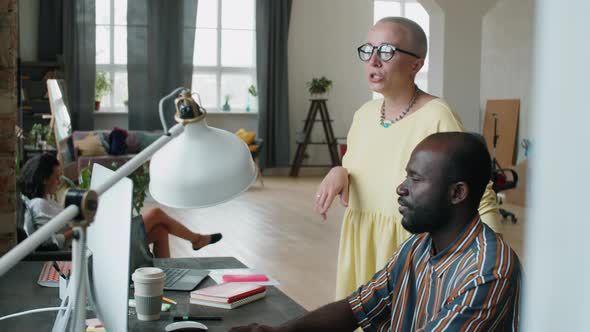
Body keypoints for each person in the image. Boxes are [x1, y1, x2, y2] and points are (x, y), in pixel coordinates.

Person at [232, 132, 521, 332]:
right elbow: (356, 307)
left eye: (416, 178)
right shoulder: (417, 246)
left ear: (457, 192)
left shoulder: (488, 270)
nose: (401, 187)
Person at [314, 16, 501, 300]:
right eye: (369, 50)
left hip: (408, 248)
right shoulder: (363, 115)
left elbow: (478, 191)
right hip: (362, 243)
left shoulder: (437, 115)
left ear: (417, 63)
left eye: (387, 51)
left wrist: (493, 260)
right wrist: (340, 172)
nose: (374, 60)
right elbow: (363, 165)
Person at [17, 153, 222, 257]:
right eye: (56, 176)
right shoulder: (39, 205)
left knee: (160, 232)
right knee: (157, 213)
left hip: (97, 237)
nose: (59, 180)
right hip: (94, 246)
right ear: (44, 179)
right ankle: (197, 239)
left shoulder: (45, 201)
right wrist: (83, 223)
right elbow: (50, 243)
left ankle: (164, 281)